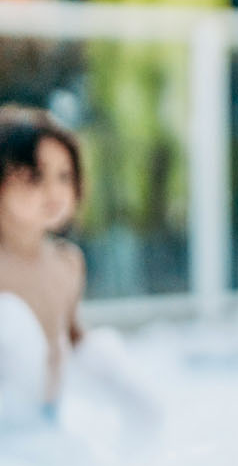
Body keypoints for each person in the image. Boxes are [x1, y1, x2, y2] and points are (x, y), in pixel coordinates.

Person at [0, 107, 154, 434]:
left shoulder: (67, 263)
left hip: (45, 422)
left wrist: (125, 389)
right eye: (35, 176)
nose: (54, 191)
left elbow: (77, 343)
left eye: (64, 176)